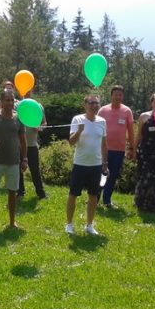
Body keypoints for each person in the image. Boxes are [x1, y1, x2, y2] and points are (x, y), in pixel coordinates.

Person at [0, 90, 27, 228]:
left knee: (12, 192)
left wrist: (24, 159)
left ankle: (12, 222)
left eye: (12, 100)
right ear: (1, 102)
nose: (9, 103)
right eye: (7, 100)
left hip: (13, 161)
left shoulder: (19, 119)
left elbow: (23, 141)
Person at [65, 95, 108, 236]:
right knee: (73, 194)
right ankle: (69, 224)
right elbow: (71, 142)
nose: (94, 106)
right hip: (80, 163)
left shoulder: (102, 121)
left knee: (93, 196)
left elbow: (104, 144)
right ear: (85, 105)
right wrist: (79, 131)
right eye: (91, 103)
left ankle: (89, 225)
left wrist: (104, 163)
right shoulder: (77, 119)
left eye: (96, 103)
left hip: (95, 165)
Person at [97, 85, 134, 208]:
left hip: (119, 150)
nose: (118, 97)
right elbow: (96, 128)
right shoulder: (102, 110)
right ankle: (95, 199)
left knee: (112, 176)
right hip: (103, 149)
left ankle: (107, 200)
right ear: (111, 96)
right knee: (100, 174)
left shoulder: (127, 111)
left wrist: (132, 148)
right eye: (116, 94)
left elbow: (131, 131)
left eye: (120, 95)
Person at [17, 90, 47, 199]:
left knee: (35, 170)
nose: (26, 92)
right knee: (18, 170)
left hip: (32, 144)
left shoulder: (38, 106)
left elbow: (44, 123)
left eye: (29, 90)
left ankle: (41, 193)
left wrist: (40, 127)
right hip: (19, 144)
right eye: (24, 90)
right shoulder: (17, 106)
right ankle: (20, 192)